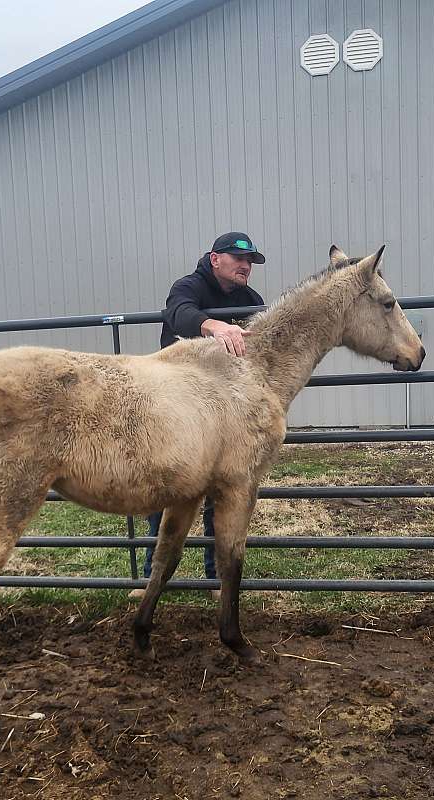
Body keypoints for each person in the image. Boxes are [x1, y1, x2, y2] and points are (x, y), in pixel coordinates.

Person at [129, 231, 266, 600]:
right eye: (238, 258)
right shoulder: (188, 286)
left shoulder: (252, 300)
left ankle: (216, 580)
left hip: (225, 412)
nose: (245, 266)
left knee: (221, 493)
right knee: (166, 488)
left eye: (250, 261)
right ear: (214, 258)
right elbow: (179, 314)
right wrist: (215, 326)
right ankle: (150, 579)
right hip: (179, 408)